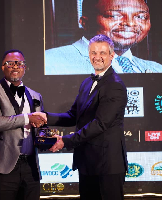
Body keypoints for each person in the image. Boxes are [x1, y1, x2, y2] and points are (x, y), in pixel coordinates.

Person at [47, 35, 128, 200]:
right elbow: (73, 116)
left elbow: (100, 124)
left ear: (112, 56)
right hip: (87, 162)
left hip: (107, 165)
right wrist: (45, 118)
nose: (97, 57)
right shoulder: (86, 83)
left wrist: (66, 141)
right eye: (93, 52)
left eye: (102, 53)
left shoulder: (115, 85)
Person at [0, 49, 47, 200]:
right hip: (2, 166)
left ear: (25, 68)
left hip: (30, 166)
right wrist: (27, 118)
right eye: (10, 63)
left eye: (19, 63)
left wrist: (48, 136)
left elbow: (39, 126)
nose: (15, 66)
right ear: (3, 67)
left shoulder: (35, 95)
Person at [45, 0, 162, 75]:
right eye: (114, 15)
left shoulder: (159, 70)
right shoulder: (51, 62)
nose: (130, 23)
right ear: (85, 23)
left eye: (141, 17)